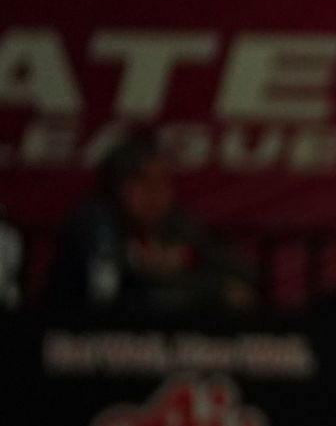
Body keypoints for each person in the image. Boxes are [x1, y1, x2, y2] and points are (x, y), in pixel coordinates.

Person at [48, 131, 255, 313]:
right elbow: (105, 290)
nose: (154, 193)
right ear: (115, 186)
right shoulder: (95, 221)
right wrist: (145, 266)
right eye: (141, 180)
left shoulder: (176, 223)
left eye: (163, 181)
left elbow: (241, 272)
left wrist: (187, 264)